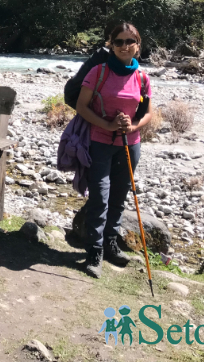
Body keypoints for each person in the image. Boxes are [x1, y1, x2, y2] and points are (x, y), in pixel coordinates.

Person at [75, 22, 152, 278]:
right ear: (110, 44)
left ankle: (111, 244)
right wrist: (108, 124)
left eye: (130, 41)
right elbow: (82, 107)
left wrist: (133, 126)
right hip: (100, 142)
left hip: (130, 145)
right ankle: (94, 251)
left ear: (138, 46)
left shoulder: (142, 77)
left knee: (119, 197)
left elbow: (148, 113)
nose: (124, 46)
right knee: (100, 197)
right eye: (118, 41)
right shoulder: (98, 72)